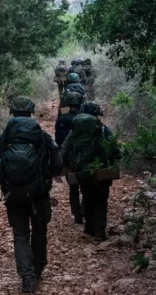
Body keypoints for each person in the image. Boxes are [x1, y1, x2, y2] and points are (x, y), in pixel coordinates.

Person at [0, 96, 63, 293]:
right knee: (40, 231)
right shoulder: (41, 135)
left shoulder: (5, 136)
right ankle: (38, 270)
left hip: (13, 194)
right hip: (39, 193)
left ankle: (27, 278)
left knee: (20, 234)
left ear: (12, 112)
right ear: (31, 111)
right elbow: (57, 165)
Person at [60, 101, 120, 241]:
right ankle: (99, 231)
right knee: (101, 200)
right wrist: (115, 159)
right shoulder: (103, 129)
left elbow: (64, 148)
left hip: (82, 170)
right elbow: (114, 149)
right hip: (101, 170)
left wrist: (61, 167)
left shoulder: (75, 131)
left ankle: (89, 227)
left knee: (87, 196)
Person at [54, 91, 85, 224]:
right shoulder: (85, 118)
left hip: (67, 159)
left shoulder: (61, 119)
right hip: (84, 159)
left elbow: (59, 141)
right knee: (86, 187)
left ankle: (77, 215)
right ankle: (84, 210)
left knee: (73, 188)